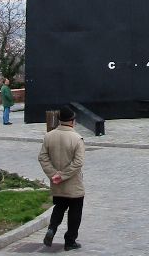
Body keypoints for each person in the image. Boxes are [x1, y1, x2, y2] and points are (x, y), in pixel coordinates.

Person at [38, 106, 85, 251]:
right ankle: (70, 241)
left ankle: (51, 229)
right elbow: (78, 162)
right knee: (75, 212)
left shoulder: (49, 136)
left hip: (56, 184)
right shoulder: (77, 138)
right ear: (72, 121)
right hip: (73, 183)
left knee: (59, 207)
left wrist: (53, 174)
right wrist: (63, 175)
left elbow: (42, 157)